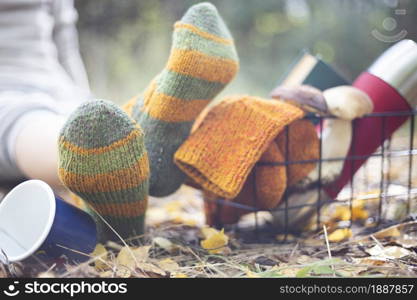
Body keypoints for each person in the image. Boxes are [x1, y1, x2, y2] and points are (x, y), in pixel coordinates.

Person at [0, 0, 90, 191]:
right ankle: (99, 159)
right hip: (8, 97)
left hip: (56, 87)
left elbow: (67, 48)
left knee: (92, 116)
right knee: (29, 124)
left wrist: (85, 102)